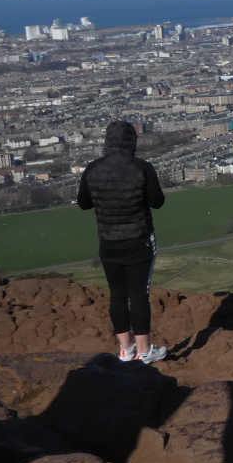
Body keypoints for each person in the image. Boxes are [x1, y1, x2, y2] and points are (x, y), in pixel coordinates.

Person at [76, 119, 169, 364]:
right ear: (132, 142)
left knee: (117, 294)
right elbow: (157, 201)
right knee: (138, 295)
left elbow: (84, 203)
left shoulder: (93, 169)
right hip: (139, 240)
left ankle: (125, 350)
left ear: (108, 141)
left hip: (108, 242)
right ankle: (145, 351)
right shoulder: (142, 168)